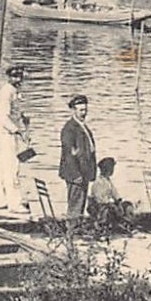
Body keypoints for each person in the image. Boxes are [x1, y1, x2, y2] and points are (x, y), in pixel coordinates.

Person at [0, 65, 31, 214]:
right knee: (12, 168)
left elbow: (15, 113)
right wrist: (18, 131)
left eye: (20, 76)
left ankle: (0, 199)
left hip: (8, 133)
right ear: (9, 77)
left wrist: (23, 120)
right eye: (15, 76)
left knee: (2, 168)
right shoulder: (6, 92)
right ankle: (14, 203)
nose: (18, 79)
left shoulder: (15, 91)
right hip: (6, 134)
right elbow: (3, 117)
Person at [58, 94, 97, 222]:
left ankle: (76, 230)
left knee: (80, 205)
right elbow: (68, 155)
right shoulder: (69, 129)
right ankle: (71, 233)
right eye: (81, 110)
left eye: (85, 110)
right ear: (73, 110)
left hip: (84, 173)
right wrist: (75, 175)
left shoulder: (82, 126)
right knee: (75, 206)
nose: (84, 113)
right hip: (75, 175)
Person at [87, 157, 132, 227]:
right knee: (111, 209)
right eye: (111, 168)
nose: (112, 171)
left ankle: (126, 222)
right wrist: (110, 204)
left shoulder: (108, 181)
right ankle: (112, 224)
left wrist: (118, 201)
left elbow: (114, 193)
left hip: (108, 205)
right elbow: (99, 199)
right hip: (100, 207)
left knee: (127, 205)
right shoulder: (98, 182)